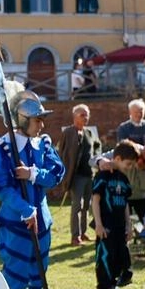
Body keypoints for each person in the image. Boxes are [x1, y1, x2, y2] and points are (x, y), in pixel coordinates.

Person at [0, 91, 65, 289]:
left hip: (43, 216)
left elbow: (56, 174)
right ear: (22, 120)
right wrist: (23, 209)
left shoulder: (43, 144)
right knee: (16, 264)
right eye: (37, 119)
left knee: (39, 264)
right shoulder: (2, 147)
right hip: (15, 218)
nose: (42, 124)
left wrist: (32, 173)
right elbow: (0, 185)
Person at [94, 141, 145, 289]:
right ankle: (119, 277)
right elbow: (96, 158)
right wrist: (100, 161)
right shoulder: (134, 152)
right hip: (119, 195)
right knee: (116, 236)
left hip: (143, 199)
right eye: (141, 157)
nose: (139, 162)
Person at [92, 141, 139, 289]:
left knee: (119, 257)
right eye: (128, 164)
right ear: (117, 158)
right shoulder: (103, 175)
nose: (130, 167)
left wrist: (129, 225)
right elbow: (95, 200)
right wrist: (98, 224)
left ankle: (112, 287)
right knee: (105, 257)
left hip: (120, 227)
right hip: (106, 226)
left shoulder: (124, 179)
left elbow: (126, 203)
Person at [57, 103, 102, 245]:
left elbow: (96, 148)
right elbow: (61, 153)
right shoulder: (68, 132)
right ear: (75, 116)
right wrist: (65, 173)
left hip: (89, 174)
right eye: (82, 115)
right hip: (75, 176)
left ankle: (83, 233)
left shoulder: (89, 133)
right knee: (77, 205)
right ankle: (74, 236)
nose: (85, 117)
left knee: (86, 206)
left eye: (87, 114)